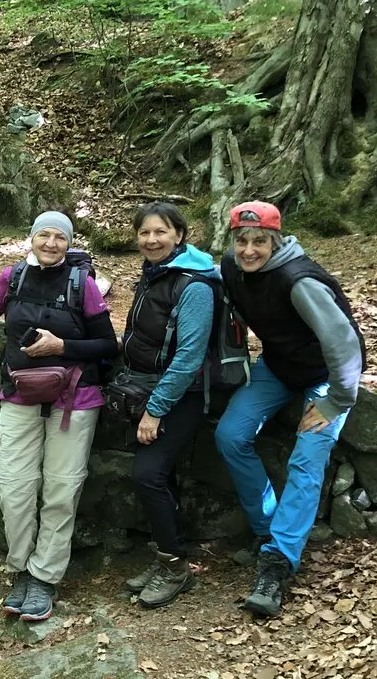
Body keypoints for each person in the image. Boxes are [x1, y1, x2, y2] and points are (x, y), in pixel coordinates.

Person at [0, 210, 118, 622]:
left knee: (61, 489)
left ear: (69, 244)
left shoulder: (81, 285)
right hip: (19, 395)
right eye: (44, 235)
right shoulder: (12, 278)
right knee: (12, 486)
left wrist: (61, 347)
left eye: (60, 238)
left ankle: (44, 576)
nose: (52, 243)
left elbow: (108, 345)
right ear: (31, 238)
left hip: (75, 399)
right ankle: (21, 566)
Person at [215, 201, 365, 618]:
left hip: (323, 375)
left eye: (259, 241)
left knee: (307, 455)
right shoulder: (232, 266)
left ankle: (278, 561)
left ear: (275, 241)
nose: (248, 250)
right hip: (279, 366)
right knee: (230, 436)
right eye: (241, 240)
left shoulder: (298, 281)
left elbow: (344, 344)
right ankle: (267, 530)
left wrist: (336, 401)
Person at [112, 202, 218, 608]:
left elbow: (189, 357)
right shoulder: (155, 274)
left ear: (179, 235)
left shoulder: (193, 285)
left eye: (160, 232)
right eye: (144, 233)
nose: (151, 240)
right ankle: (167, 557)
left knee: (148, 474)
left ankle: (175, 568)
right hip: (147, 387)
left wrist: (155, 410)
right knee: (162, 476)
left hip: (180, 396)